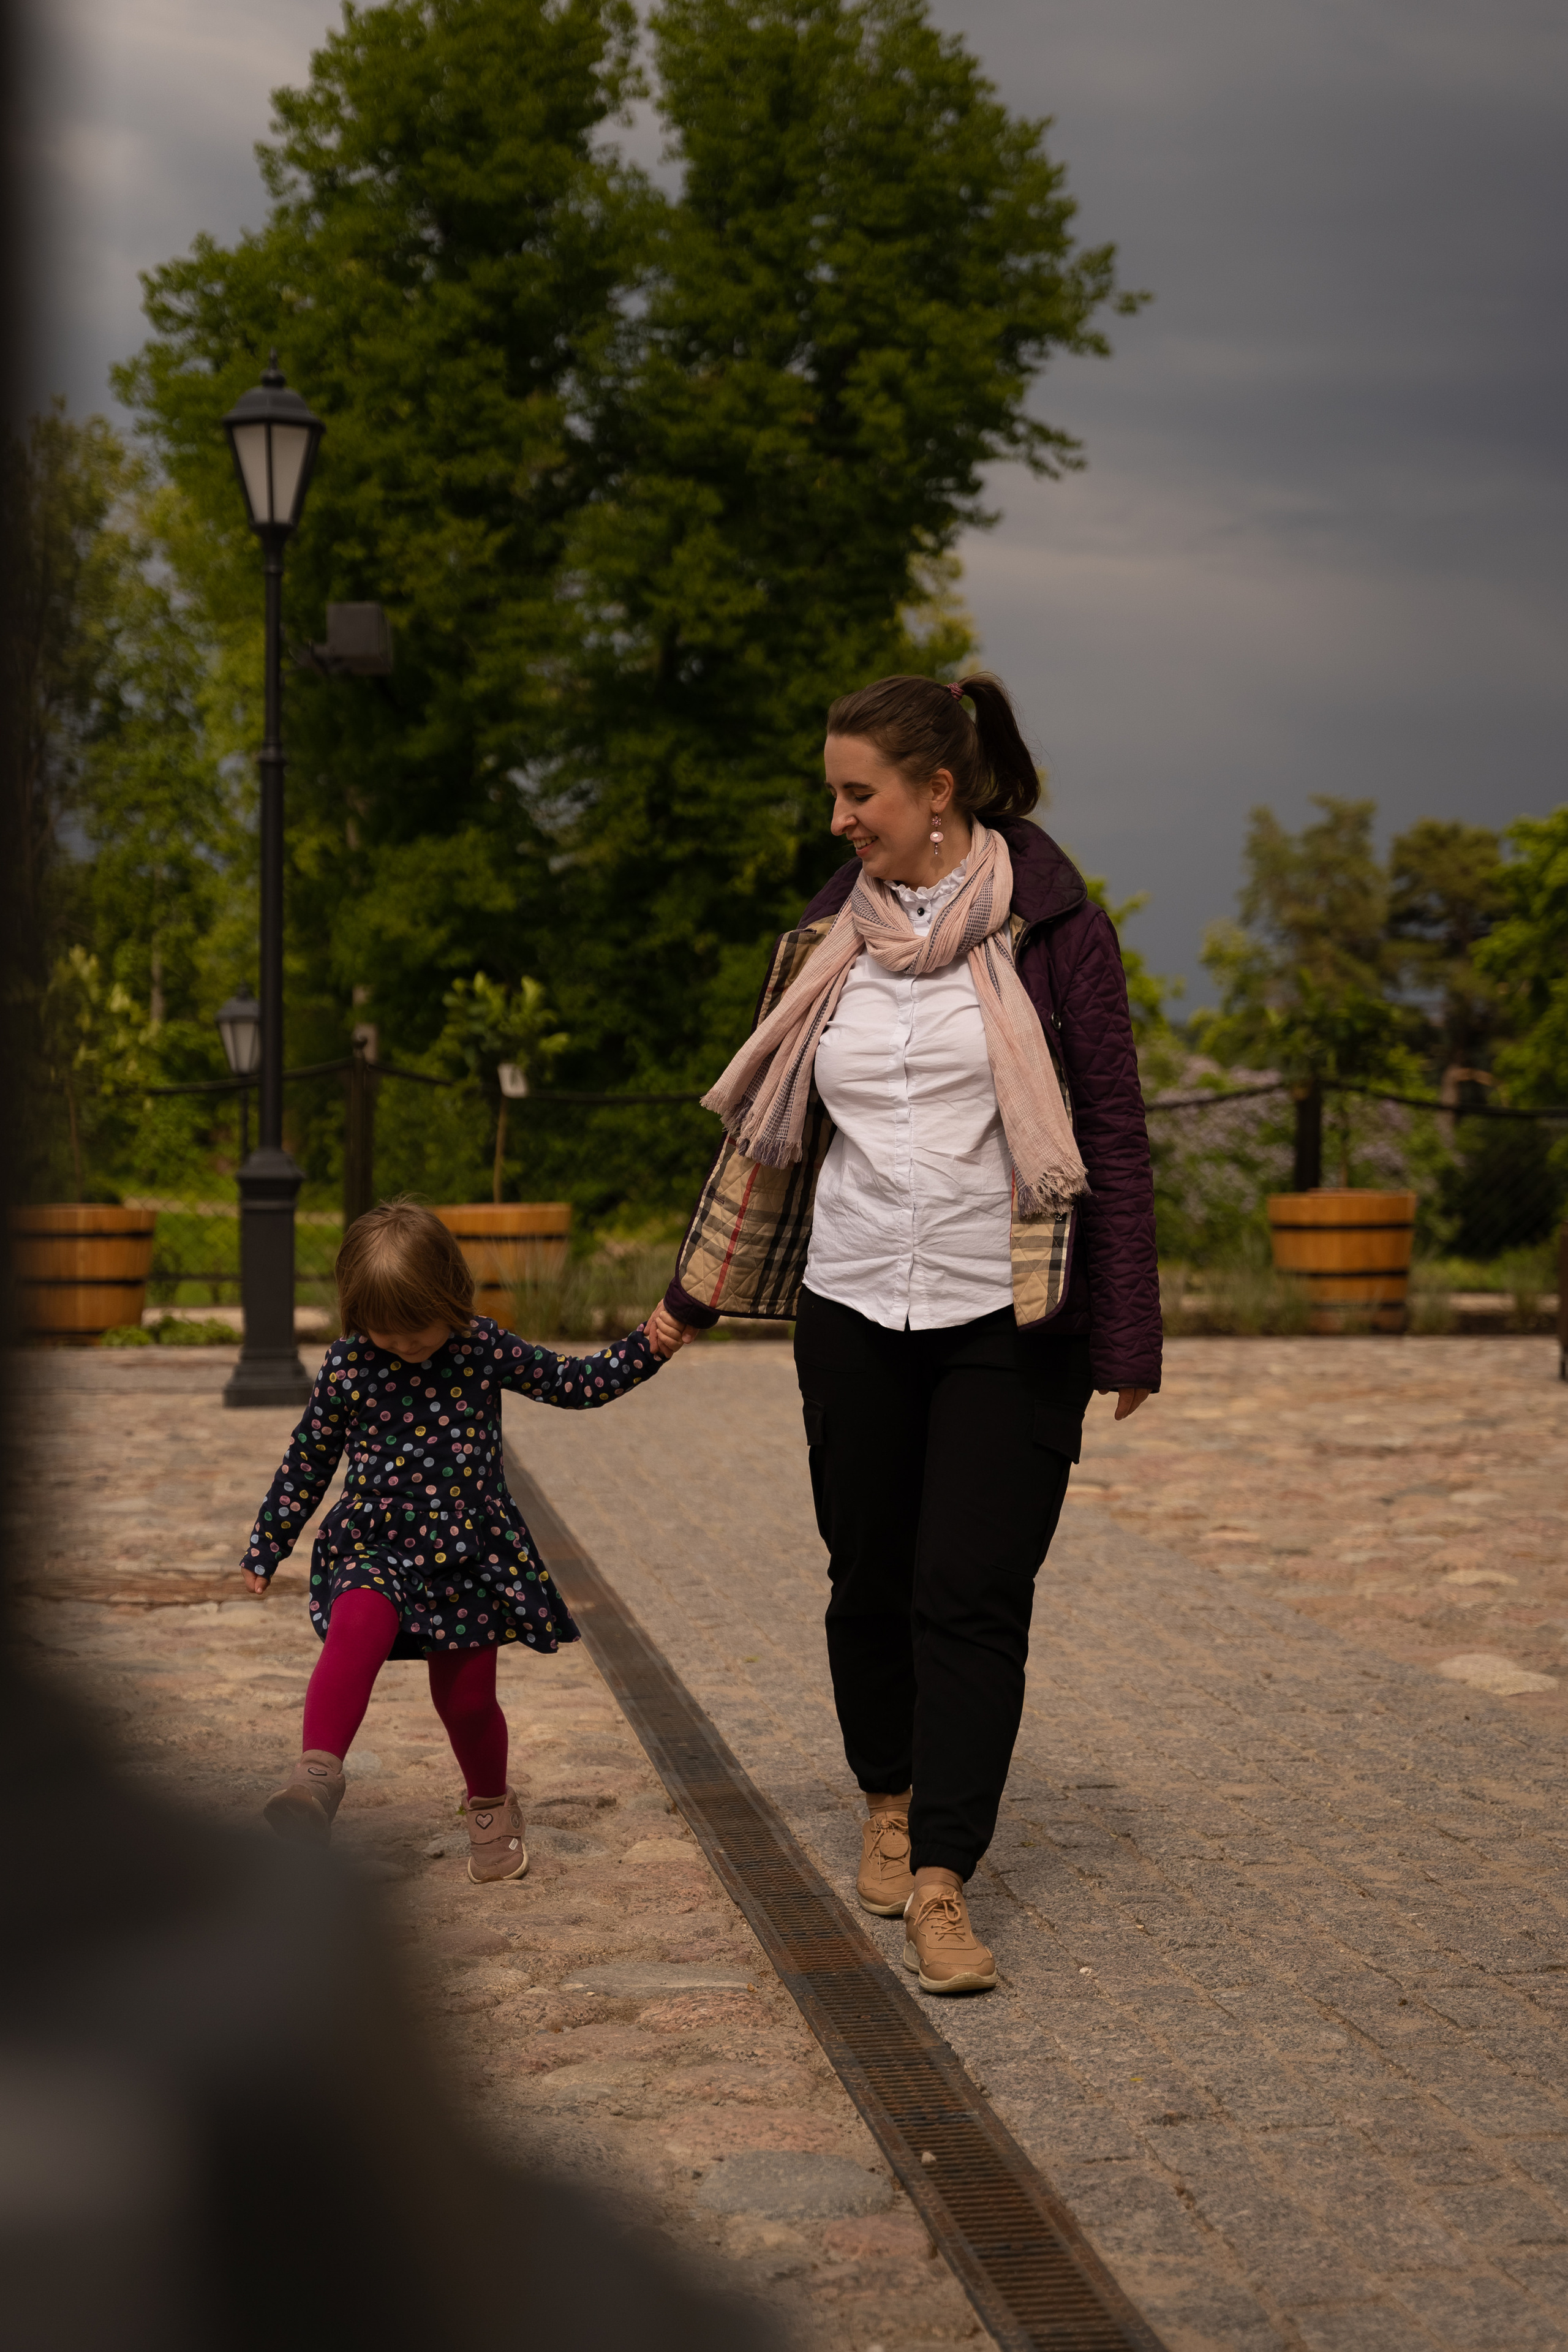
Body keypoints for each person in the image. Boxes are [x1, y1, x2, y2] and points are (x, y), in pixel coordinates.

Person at [648, 674, 1160, 1996]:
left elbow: (1106, 1126)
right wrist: (689, 1297)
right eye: (833, 791)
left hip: (1011, 1312)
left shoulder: (1053, 932)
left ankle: (943, 1873)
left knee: (970, 1596)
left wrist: (1127, 1334)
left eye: (857, 792)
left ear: (938, 793)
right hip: (855, 1302)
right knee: (866, 1576)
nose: (836, 818)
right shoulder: (828, 937)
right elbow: (768, 1137)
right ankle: (887, 1794)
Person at [243, 1199, 676, 1879]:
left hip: (465, 1554)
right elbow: (308, 1459)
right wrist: (269, 1543)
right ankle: (316, 1778)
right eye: (387, 1336)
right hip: (374, 1540)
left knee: (467, 1701)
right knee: (354, 1631)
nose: (406, 1348)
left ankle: (490, 1804)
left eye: (418, 1332)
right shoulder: (350, 1364)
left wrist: (647, 1347)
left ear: (453, 1297)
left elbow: (573, 1383)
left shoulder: (481, 1347)